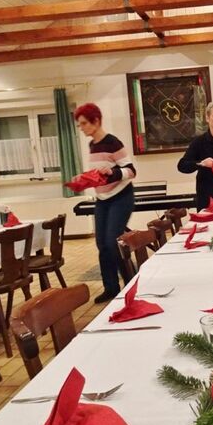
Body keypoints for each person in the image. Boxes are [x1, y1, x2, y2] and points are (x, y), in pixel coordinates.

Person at [74, 103, 136, 304]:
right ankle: (111, 288)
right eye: (79, 124)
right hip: (103, 200)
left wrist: (113, 172)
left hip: (121, 197)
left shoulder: (112, 142)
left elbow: (131, 171)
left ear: (96, 121)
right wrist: (83, 179)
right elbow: (99, 174)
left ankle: (131, 284)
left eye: (84, 123)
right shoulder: (92, 145)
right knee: (101, 243)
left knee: (112, 242)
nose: (81, 128)